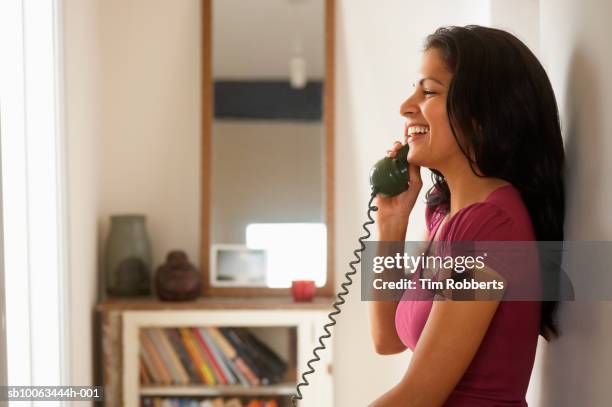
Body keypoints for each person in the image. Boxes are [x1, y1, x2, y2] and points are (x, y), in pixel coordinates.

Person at [367, 25, 565, 406]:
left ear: (481, 112)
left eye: (428, 92)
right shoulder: (446, 217)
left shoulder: (490, 227)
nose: (406, 107)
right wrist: (391, 223)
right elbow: (387, 339)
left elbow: (420, 395)